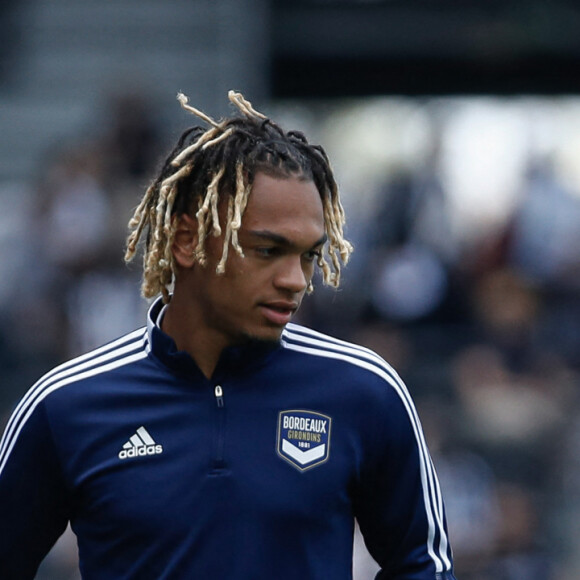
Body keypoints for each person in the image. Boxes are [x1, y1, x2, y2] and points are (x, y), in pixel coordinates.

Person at [0, 91, 456, 579]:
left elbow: (422, 565)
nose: (297, 280)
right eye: (267, 250)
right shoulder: (66, 404)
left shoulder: (365, 390)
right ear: (186, 241)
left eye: (306, 255)